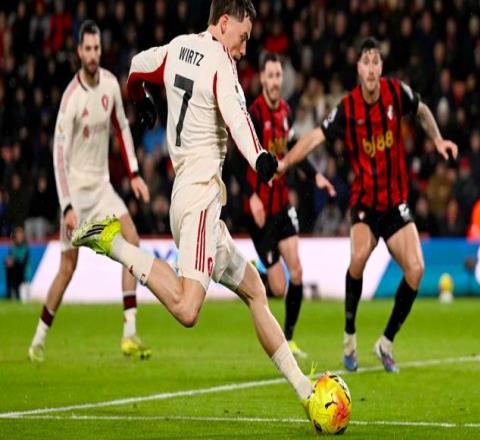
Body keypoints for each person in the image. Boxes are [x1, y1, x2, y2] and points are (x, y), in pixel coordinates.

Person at [72, 0, 313, 413]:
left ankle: (306, 392)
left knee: (256, 290)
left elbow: (136, 67)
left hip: (190, 196)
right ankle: (114, 243)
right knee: (187, 309)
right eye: (243, 38)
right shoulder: (221, 62)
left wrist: (141, 99)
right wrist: (260, 157)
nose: (243, 49)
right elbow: (239, 117)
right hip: (200, 197)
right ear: (224, 22)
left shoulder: (177, 47)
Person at [279, 37, 458, 373]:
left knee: (416, 270)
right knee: (359, 257)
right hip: (364, 202)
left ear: (381, 67)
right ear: (359, 69)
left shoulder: (395, 92)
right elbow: (316, 136)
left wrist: (437, 140)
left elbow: (421, 109)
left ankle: (385, 343)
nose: (372, 68)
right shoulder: (348, 108)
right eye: (366, 62)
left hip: (394, 202)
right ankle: (349, 335)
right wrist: (286, 162)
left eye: (376, 61)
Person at [28, 20, 151, 363]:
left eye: (97, 48)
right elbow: (58, 157)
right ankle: (38, 339)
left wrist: (135, 173)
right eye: (88, 49)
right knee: (68, 268)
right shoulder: (71, 99)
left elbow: (122, 128)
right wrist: (67, 206)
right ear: (79, 52)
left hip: (103, 188)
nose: (93, 54)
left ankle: (129, 333)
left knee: (133, 240)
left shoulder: (110, 84)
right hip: (77, 195)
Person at [231, 52, 334, 359]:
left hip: (282, 204)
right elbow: (236, 158)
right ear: (262, 79)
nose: (276, 81)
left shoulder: (286, 111)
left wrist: (315, 176)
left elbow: (291, 148)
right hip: (260, 209)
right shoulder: (253, 114)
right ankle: (252, 274)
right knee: (278, 288)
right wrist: (250, 195)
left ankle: (288, 339)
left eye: (279, 76)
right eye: (271, 76)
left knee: (297, 271)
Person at [5, 226, 29, 300]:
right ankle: (9, 293)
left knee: (14, 266)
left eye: (20, 235)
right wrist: (8, 260)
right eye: (18, 235)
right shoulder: (13, 247)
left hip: (22, 270)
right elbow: (10, 256)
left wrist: (13, 260)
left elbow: (23, 260)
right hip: (13, 270)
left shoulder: (25, 247)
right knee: (8, 265)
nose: (19, 237)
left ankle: (16, 294)